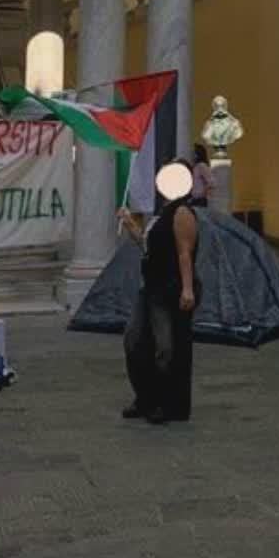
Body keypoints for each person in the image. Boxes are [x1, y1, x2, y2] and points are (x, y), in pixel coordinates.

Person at [117, 164, 200, 425]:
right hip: (151, 287)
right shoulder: (162, 213)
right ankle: (145, 397)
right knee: (134, 340)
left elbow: (184, 253)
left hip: (169, 288)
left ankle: (165, 402)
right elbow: (148, 247)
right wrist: (131, 226)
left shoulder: (182, 212)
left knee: (164, 347)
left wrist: (187, 289)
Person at [188, 143, 213, 208]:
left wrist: (203, 194)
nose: (191, 155)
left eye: (193, 153)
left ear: (197, 155)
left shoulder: (202, 166)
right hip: (194, 199)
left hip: (200, 200)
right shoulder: (195, 167)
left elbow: (210, 182)